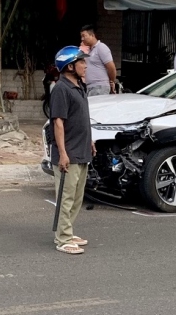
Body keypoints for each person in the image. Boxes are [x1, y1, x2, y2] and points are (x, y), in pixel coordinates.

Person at [48, 46, 96, 255]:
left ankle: (67, 230)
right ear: (70, 66)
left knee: (77, 197)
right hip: (69, 153)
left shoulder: (79, 86)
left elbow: (82, 119)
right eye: (81, 62)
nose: (85, 65)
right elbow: (58, 122)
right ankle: (63, 238)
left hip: (81, 149)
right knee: (65, 197)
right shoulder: (61, 89)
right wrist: (63, 153)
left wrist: (90, 141)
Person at [79, 25, 117, 96]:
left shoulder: (101, 47)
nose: (82, 39)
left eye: (84, 36)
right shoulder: (90, 50)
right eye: (81, 36)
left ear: (92, 35)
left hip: (99, 87)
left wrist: (111, 81)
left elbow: (111, 68)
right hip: (90, 87)